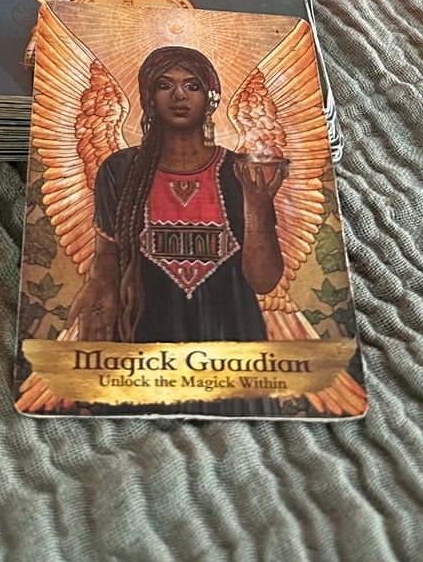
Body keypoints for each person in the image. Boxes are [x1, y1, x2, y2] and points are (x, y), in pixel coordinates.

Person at [72, 45, 286, 344]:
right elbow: (107, 254)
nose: (179, 95)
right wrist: (100, 290)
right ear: (148, 97)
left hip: (230, 334)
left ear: (210, 97)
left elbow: (263, 281)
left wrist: (257, 204)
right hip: (144, 331)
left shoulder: (241, 171)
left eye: (192, 86)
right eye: (165, 85)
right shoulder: (120, 168)